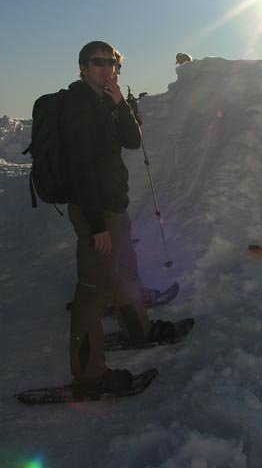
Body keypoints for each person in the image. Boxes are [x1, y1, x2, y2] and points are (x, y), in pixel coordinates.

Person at [60, 40, 177, 394]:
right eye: (98, 63)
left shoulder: (105, 102)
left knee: (125, 273)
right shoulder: (77, 106)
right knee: (92, 291)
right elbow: (79, 171)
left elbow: (131, 141)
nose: (106, 69)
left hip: (115, 207)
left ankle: (138, 330)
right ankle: (88, 375)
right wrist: (96, 226)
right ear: (82, 67)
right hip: (96, 210)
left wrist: (119, 104)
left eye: (111, 63)